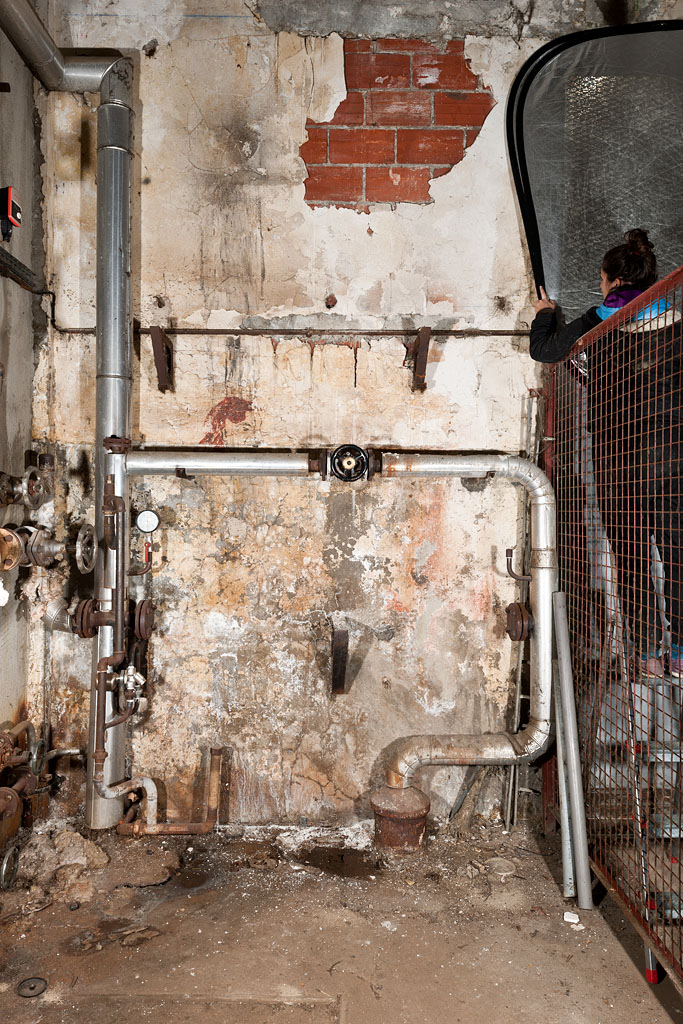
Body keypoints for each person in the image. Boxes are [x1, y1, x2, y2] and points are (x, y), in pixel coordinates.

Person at [528, 228, 682, 676]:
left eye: (601, 280)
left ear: (613, 281)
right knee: (676, 548)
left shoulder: (601, 318)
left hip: (618, 458)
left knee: (631, 553)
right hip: (673, 453)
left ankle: (649, 653)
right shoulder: (677, 319)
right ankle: (681, 650)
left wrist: (546, 313)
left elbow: (545, 350)